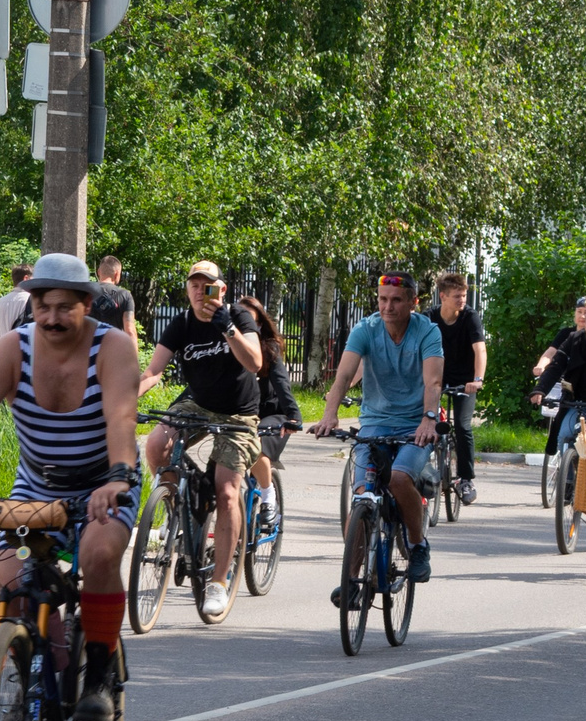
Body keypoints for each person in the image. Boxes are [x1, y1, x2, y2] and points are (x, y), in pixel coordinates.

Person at [0, 253, 141, 721]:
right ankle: (36, 673)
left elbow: (121, 420)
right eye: (42, 305)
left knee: (100, 555)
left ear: (87, 304)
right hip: (37, 485)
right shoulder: (14, 347)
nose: (51, 317)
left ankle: (100, 675)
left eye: (64, 307)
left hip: (104, 482)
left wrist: (116, 477)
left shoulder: (112, 348)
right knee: (11, 575)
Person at [141, 259, 264, 609]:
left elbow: (255, 363)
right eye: (194, 284)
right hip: (198, 403)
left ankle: (219, 583)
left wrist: (228, 329)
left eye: (207, 285)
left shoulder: (238, 318)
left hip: (239, 412)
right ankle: (177, 503)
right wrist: (122, 399)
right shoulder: (181, 323)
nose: (199, 291)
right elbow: (153, 371)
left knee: (227, 491)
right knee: (156, 444)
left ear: (221, 290)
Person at [311, 271, 444, 585]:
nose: (388, 306)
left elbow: (433, 381)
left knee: (398, 478)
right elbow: (342, 376)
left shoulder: (427, 332)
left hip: (415, 426)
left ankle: (417, 544)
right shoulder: (366, 329)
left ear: (413, 302)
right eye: (383, 299)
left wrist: (429, 418)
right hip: (374, 423)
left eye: (397, 300)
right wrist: (330, 415)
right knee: (362, 496)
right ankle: (351, 582)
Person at [239, 294, 301, 531]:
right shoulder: (228, 345)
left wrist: (294, 416)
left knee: (257, 449)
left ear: (259, 325)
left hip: (272, 414)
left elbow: (282, 383)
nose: (242, 327)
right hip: (241, 414)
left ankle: (267, 496)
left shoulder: (268, 348)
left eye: (249, 321)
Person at [431, 271, 486, 503]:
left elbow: (480, 350)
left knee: (463, 427)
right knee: (425, 421)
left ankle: (465, 479)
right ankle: (422, 472)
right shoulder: (429, 318)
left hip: (465, 381)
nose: (462, 300)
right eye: (457, 296)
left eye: (464, 295)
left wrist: (478, 379)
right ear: (442, 296)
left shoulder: (470, 317)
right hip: (436, 378)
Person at [532, 301, 586, 457]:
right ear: (585, 327)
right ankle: (567, 480)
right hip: (578, 402)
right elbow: (556, 365)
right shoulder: (574, 339)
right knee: (565, 436)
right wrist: (540, 389)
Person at [0, 262, 35, 345]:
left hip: (4, 352)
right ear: (26, 278)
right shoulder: (32, 300)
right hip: (25, 351)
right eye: (33, 279)